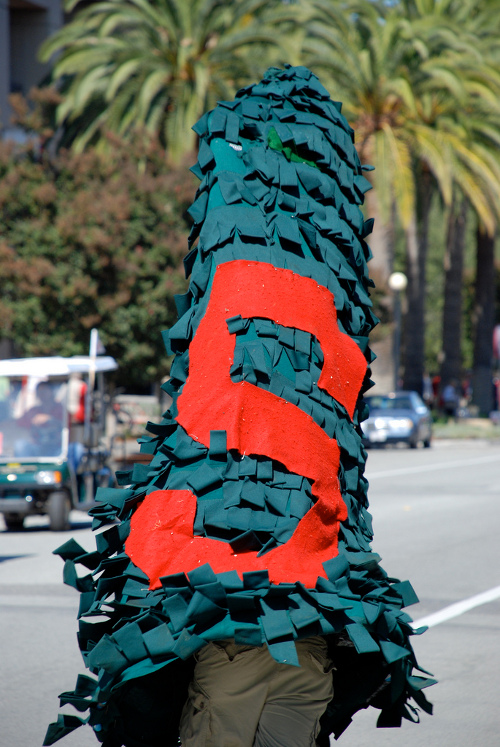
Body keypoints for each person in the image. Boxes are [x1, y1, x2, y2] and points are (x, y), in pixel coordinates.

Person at [45, 66, 433, 747]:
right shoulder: (339, 346)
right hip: (312, 636)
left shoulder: (227, 310)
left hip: (232, 637)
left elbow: (183, 469)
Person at [14, 381, 63, 457]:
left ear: (51, 391)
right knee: (20, 445)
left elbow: (66, 424)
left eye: (44, 391)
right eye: (39, 392)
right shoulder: (33, 411)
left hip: (58, 448)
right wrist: (32, 421)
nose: (42, 394)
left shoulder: (61, 409)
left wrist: (50, 419)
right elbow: (19, 424)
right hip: (37, 447)